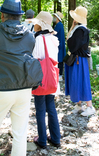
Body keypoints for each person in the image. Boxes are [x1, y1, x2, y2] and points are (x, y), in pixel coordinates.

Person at [0, 0, 42, 156]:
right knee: (20, 133)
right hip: (24, 88)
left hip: (1, 88)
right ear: (19, 16)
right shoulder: (30, 35)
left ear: (2, 15)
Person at [31, 11, 61, 149]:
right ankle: (55, 138)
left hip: (41, 79)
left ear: (40, 24)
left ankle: (42, 139)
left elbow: (35, 58)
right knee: (51, 108)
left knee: (40, 109)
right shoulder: (54, 39)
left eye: (36, 23)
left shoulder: (39, 39)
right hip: (52, 78)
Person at [65, 6, 96, 117]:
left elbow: (71, 45)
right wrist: (72, 26)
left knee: (82, 81)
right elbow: (68, 40)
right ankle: (79, 105)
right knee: (76, 81)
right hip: (77, 59)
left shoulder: (81, 30)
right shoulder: (78, 28)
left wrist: (72, 29)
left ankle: (90, 107)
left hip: (78, 60)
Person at [53, 11, 66, 81]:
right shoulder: (58, 25)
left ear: (57, 18)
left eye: (54, 17)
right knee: (59, 59)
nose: (53, 18)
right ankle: (59, 74)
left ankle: (60, 75)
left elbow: (54, 33)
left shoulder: (59, 25)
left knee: (60, 60)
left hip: (59, 45)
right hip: (59, 45)